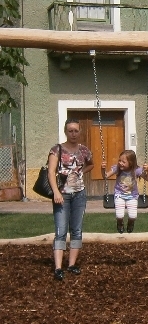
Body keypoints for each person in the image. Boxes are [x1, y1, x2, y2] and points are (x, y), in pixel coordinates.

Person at [49, 119, 94, 281]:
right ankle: (58, 267)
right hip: (62, 195)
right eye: (70, 131)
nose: (73, 134)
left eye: (76, 131)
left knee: (76, 230)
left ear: (80, 132)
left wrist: (81, 172)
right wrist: (56, 192)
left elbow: (91, 165)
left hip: (79, 194)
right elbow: (51, 172)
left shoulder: (84, 151)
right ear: (65, 132)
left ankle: (72, 264)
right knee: (61, 231)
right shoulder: (57, 149)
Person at [102, 150, 148, 234]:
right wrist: (102, 169)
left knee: (133, 216)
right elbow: (105, 176)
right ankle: (119, 223)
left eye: (123, 162)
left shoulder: (136, 170)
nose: (120, 163)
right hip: (119, 195)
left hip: (132, 196)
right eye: (119, 160)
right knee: (119, 215)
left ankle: (130, 223)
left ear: (131, 163)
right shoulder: (117, 168)